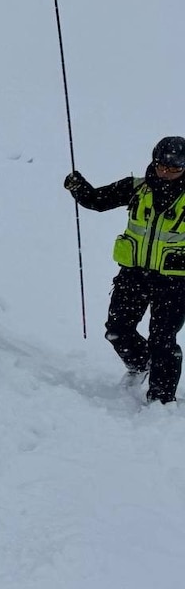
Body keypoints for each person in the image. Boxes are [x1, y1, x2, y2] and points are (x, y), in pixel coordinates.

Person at [67, 135, 185, 405]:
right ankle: (141, 364)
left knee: (163, 340)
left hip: (175, 280)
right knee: (117, 330)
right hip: (134, 275)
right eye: (162, 166)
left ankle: (161, 399)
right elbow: (97, 200)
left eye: (175, 168)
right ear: (153, 162)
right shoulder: (136, 188)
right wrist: (79, 187)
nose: (166, 173)